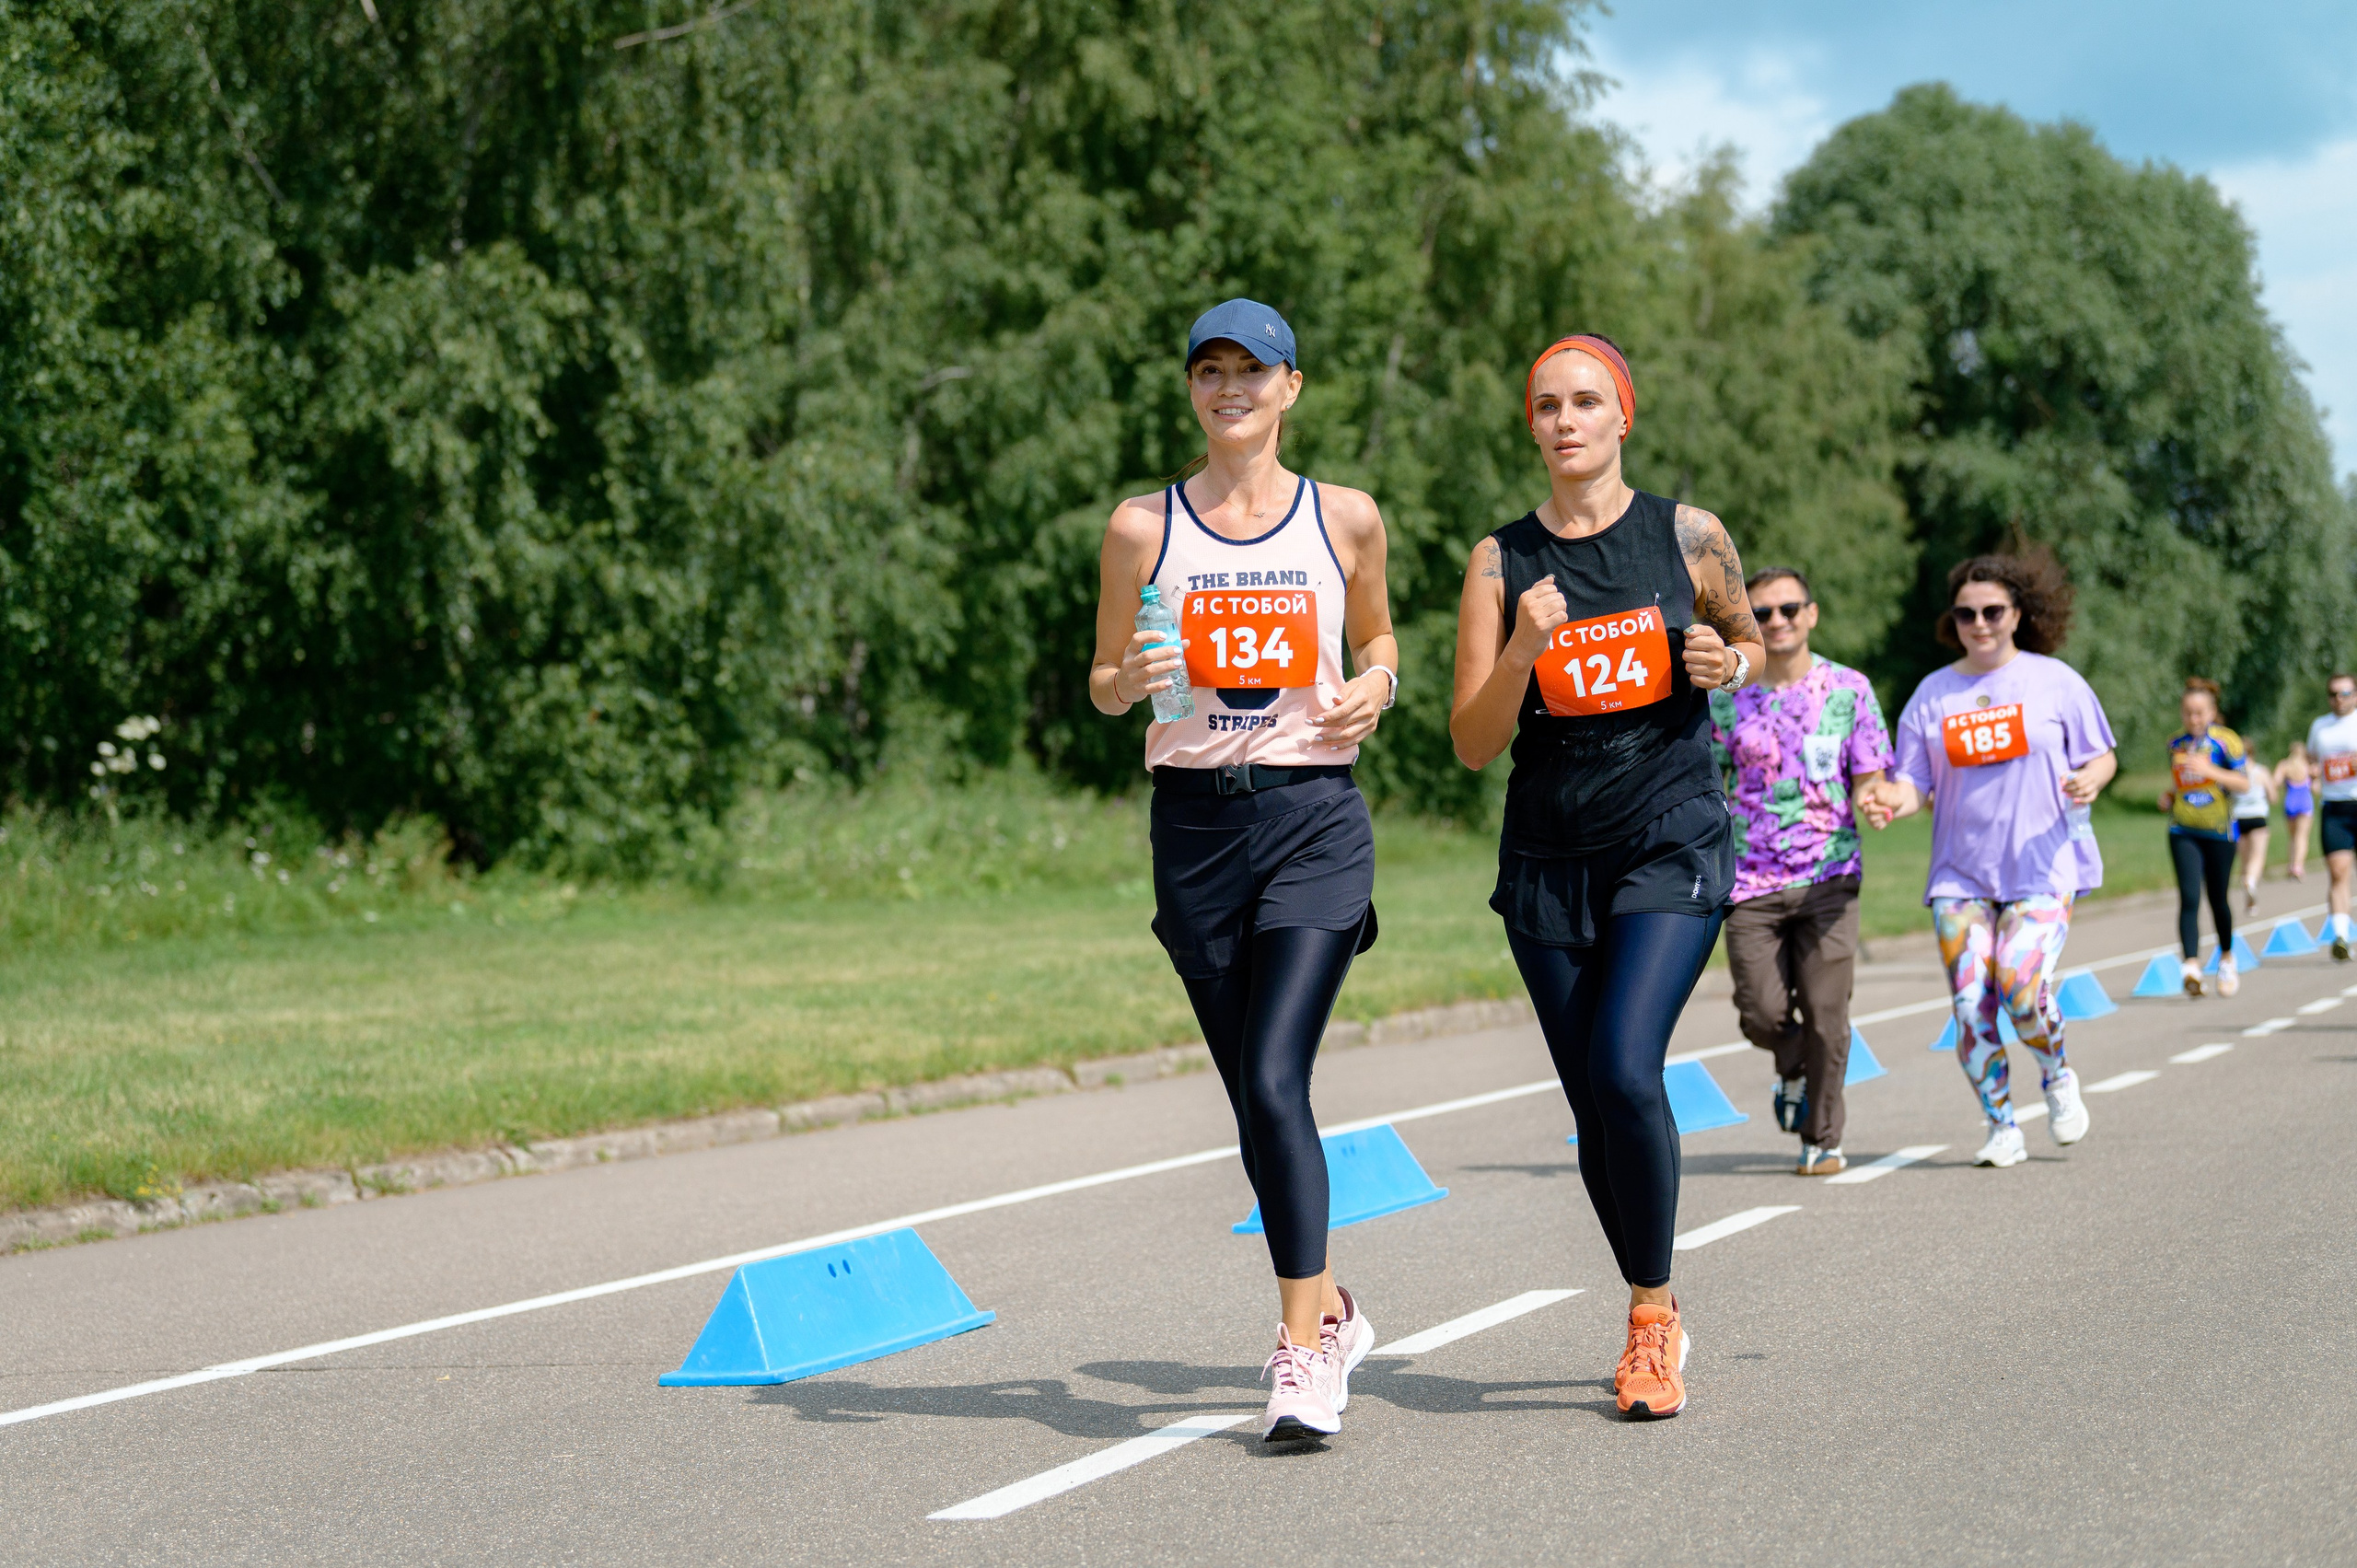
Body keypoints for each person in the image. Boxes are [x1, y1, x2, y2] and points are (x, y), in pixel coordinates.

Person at [1089, 299, 1400, 1442]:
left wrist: (1380, 684)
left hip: (1313, 815)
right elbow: (1104, 680)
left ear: (1291, 387)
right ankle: (1334, 1306)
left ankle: (1300, 1350)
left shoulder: (1345, 517)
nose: (1230, 389)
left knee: (1275, 1078)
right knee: (1252, 1099)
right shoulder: (1141, 527)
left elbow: (1377, 638)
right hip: (1194, 828)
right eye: (1209, 371)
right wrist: (1130, 676)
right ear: (1191, 389)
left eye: (1251, 371)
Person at [1450, 332, 1761, 1420]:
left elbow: (1743, 643)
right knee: (1593, 1105)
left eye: (1587, 400)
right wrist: (1524, 654)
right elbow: (1472, 741)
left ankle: (1650, 1312)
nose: (1567, 419)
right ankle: (1648, 1296)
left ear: (1622, 415)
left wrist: (1730, 662)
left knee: (1628, 1069)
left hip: (1668, 832)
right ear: (1531, 425)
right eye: (1547, 404)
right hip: (1547, 856)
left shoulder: (1687, 533)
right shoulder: (1498, 563)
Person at [1859, 550, 2118, 1170]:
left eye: (1993, 611)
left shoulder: (2055, 681)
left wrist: (2092, 780)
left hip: (2042, 869)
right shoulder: (1933, 694)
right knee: (1972, 1005)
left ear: (2018, 614)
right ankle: (2001, 1123)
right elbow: (1914, 783)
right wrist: (1891, 799)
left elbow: (2102, 754)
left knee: (2022, 990)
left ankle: (2055, 1074)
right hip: (1962, 876)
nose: (1980, 623)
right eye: (1966, 613)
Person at [1708, 566, 1892, 1177]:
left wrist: (1873, 798)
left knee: (1827, 1013)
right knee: (1758, 1010)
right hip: (1750, 881)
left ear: (1811, 613)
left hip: (1829, 876)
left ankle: (1823, 1136)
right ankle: (1792, 1060)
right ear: (1746, 624)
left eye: (1789, 608)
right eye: (1762, 613)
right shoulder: (1726, 698)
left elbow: (1870, 773)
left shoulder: (1850, 689)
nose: (1777, 621)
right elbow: (1705, 782)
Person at [2156, 679, 2251, 997]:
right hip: (2182, 830)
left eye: (2199, 713)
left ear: (2211, 712)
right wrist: (2169, 796)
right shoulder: (2175, 745)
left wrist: (2212, 772)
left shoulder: (2227, 743)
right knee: (2189, 897)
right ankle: (2192, 968)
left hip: (2219, 832)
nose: (2193, 720)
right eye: (2187, 713)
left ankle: (2226, 957)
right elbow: (2179, 781)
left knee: (2217, 898)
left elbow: (2243, 784)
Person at [2308, 675, 2357, 961]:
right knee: (2339, 872)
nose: (2339, 698)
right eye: (2333, 693)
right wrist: (2313, 771)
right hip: (2335, 809)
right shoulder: (2320, 726)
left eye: (2345, 693)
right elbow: (2312, 758)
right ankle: (2341, 936)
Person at [2233, 749, 2274, 916]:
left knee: (2245, 859)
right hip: (2258, 817)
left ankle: (2250, 905)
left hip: (2237, 818)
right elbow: (2273, 796)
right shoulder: (2261, 771)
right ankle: (2250, 881)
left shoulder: (2232, 773)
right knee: (2257, 856)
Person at [2282, 740, 2316, 882]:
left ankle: (2291, 865)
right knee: (2302, 836)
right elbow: (2316, 787)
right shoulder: (2308, 766)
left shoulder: (2285, 765)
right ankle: (2298, 866)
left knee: (2293, 836)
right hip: (2305, 802)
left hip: (2290, 801)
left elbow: (2275, 781)